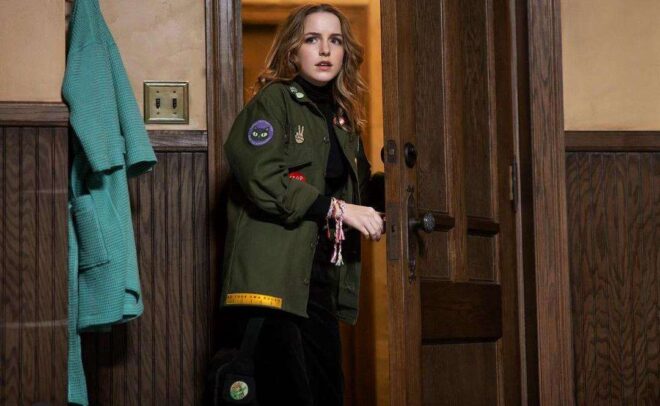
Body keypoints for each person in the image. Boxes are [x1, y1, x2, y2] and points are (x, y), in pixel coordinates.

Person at [218, 4, 384, 405]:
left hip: (319, 278)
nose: (325, 50)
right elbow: (261, 177)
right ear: (293, 51)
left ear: (344, 53)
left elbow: (358, 192)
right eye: (312, 39)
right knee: (287, 394)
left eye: (335, 40)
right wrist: (337, 209)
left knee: (327, 392)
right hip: (273, 281)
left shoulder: (343, 119)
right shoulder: (274, 102)